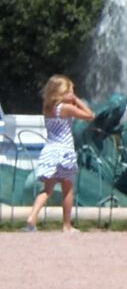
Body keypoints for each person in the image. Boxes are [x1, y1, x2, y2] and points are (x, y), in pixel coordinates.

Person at [22, 75, 94, 229]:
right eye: (70, 90)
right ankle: (66, 225)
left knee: (46, 190)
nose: (73, 93)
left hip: (50, 150)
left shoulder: (48, 108)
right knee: (67, 189)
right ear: (62, 92)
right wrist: (76, 100)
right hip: (64, 151)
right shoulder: (65, 108)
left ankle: (32, 217)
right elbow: (90, 115)